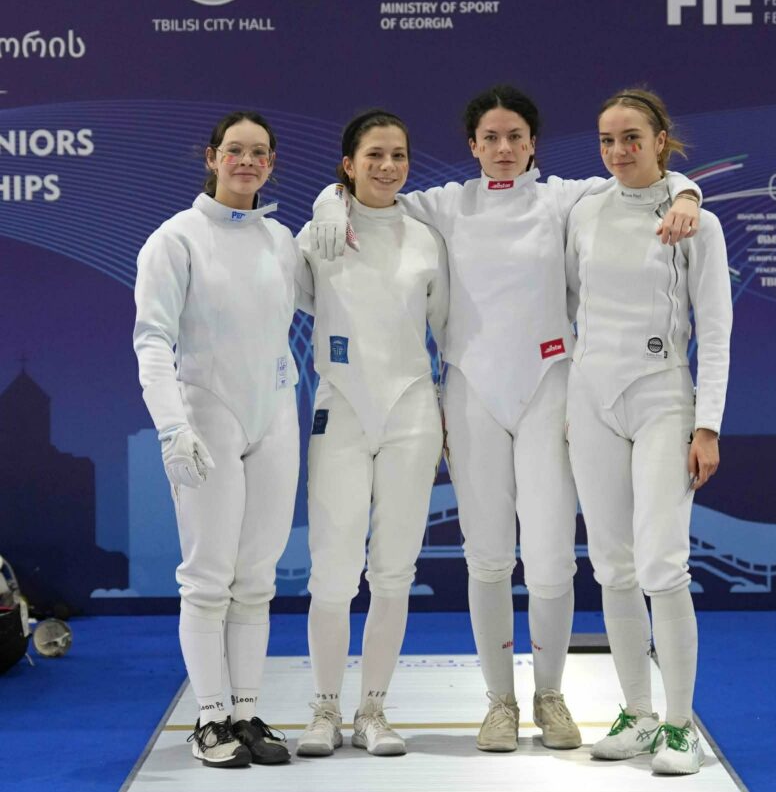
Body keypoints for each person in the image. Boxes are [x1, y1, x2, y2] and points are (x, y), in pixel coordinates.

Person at [311, 86, 702, 753]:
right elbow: (371, 198)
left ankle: (550, 695)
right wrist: (327, 199)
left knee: (550, 558)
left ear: (533, 144)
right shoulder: (445, 204)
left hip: (550, 387)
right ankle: (499, 701)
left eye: (515, 136)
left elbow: (646, 184)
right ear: (472, 145)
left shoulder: (566, 200)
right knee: (488, 555)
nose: (502, 148)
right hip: (472, 394)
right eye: (489, 137)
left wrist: (688, 193)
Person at [133, 112, 310, 768]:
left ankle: (245, 711)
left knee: (256, 577)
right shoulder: (175, 239)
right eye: (235, 150)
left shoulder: (280, 240)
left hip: (275, 415)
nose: (246, 161)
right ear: (211, 157)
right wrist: (172, 425)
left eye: (259, 152)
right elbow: (153, 339)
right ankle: (208, 718)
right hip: (206, 416)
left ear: (272, 163)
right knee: (208, 578)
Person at [564, 88, 732, 776]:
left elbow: (715, 331)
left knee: (662, 564)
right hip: (591, 399)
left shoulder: (699, 224)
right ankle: (637, 713)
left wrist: (707, 425)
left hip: (663, 397)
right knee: (612, 565)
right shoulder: (584, 210)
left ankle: (679, 726)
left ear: (661, 139)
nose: (618, 151)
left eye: (632, 137)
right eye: (607, 139)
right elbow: (572, 303)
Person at [295, 110, 448, 758]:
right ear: (348, 164)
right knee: (333, 570)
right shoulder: (317, 235)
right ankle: (324, 709)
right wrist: (326, 203)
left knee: (394, 570)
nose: (388, 166)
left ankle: (373, 711)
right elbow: (297, 301)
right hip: (342, 408)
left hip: (412, 411)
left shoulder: (426, 240)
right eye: (374, 155)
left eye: (399, 155)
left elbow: (445, 331)